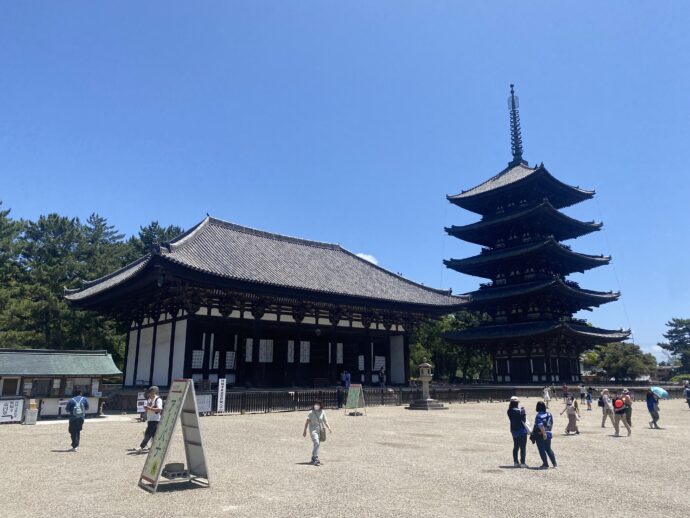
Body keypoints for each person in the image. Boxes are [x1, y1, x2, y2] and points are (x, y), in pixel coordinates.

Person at [302, 401, 332, 466]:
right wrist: (305, 431)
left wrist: (329, 427)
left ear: (320, 405)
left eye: (318, 404)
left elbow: (325, 421)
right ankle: (315, 457)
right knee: (316, 442)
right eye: (315, 404)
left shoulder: (323, 412)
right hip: (313, 430)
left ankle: (314, 457)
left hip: (320, 430)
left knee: (317, 444)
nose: (316, 405)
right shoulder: (311, 412)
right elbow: (307, 422)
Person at [137, 386, 163, 452]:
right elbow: (149, 409)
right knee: (154, 435)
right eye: (149, 393)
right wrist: (146, 409)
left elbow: (159, 409)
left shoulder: (158, 399)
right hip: (150, 419)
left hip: (155, 420)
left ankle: (141, 447)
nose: (149, 394)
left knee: (147, 433)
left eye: (151, 392)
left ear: (155, 392)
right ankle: (156, 447)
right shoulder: (149, 399)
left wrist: (149, 408)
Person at [532, 401, 557, 469]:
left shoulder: (538, 416)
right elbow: (551, 423)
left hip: (541, 434)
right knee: (548, 449)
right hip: (548, 432)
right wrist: (548, 431)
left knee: (541, 449)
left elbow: (540, 425)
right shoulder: (549, 414)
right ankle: (554, 464)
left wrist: (543, 433)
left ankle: (545, 464)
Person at [507, 396, 528, 468]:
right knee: (523, 447)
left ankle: (515, 462)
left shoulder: (509, 410)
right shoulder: (520, 411)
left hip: (514, 430)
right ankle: (522, 463)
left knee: (516, 446)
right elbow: (524, 420)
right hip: (522, 430)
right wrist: (523, 411)